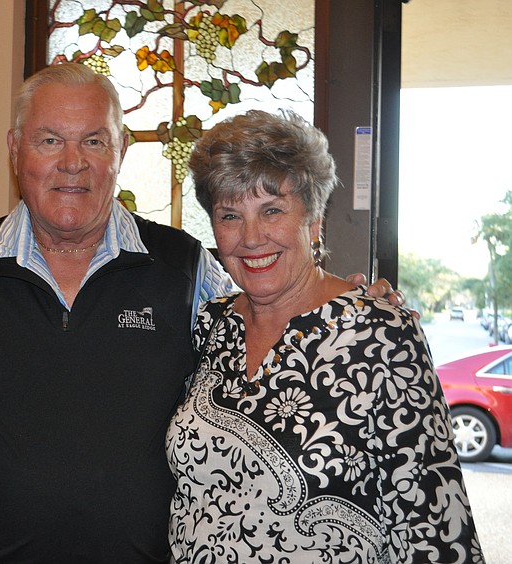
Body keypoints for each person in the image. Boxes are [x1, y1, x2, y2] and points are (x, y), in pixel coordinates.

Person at [0, 63, 403, 562]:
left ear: (122, 149)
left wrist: (349, 300)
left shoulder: (187, 268)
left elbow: (272, 314)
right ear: (15, 149)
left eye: (93, 141)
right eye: (48, 141)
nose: (72, 163)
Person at [166, 109, 483, 563]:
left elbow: (434, 523)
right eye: (230, 215)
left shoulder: (381, 334)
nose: (251, 237)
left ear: (314, 221)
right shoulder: (209, 326)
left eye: (272, 210)